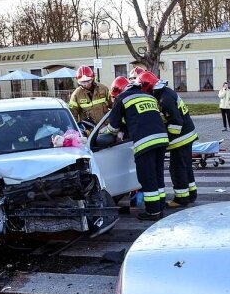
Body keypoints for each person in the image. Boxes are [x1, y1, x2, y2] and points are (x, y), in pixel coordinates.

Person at [106, 74, 168, 221]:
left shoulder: (122, 99)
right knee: (158, 174)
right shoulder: (148, 96)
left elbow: (113, 127)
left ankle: (153, 212)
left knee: (147, 177)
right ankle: (160, 206)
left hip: (145, 142)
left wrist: (107, 133)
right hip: (161, 138)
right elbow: (143, 117)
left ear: (117, 92)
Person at [142, 71, 198, 208]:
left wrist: (166, 140)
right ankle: (191, 194)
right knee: (186, 166)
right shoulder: (166, 92)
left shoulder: (164, 99)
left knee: (177, 168)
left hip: (180, 138)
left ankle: (181, 199)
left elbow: (176, 123)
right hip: (187, 134)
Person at [68, 65, 112, 129]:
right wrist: (76, 130)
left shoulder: (103, 89)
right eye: (82, 82)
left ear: (93, 78)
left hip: (105, 126)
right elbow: (73, 114)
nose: (86, 84)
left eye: (88, 81)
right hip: (88, 129)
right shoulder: (76, 95)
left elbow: (113, 106)